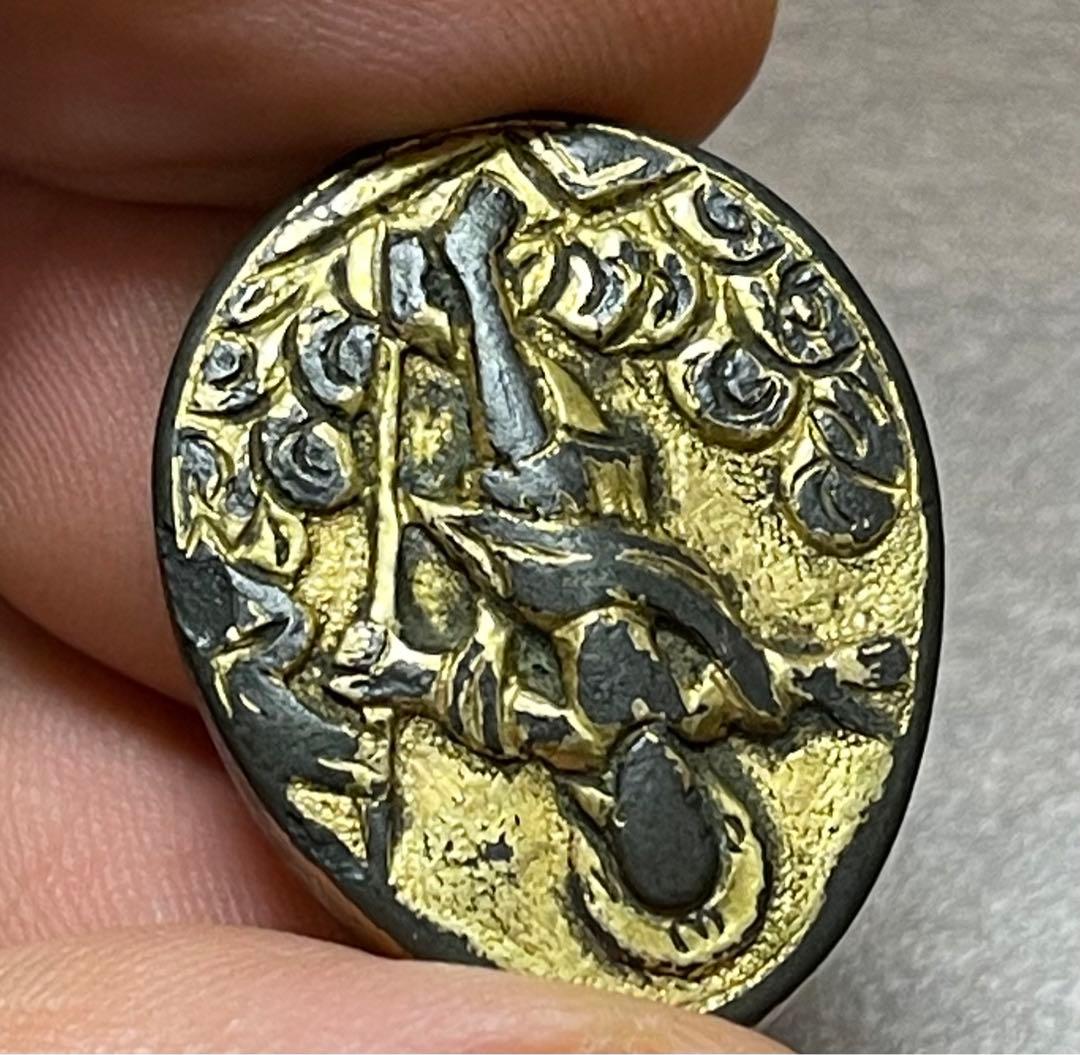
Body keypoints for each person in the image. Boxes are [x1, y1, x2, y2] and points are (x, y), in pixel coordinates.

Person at [0, 1, 790, 1049]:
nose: (657, 792)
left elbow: (459, 694)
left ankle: (470, 278)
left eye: (648, 819)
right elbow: (737, 638)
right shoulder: (705, 701)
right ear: (703, 803)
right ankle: (469, 280)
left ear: (609, 827)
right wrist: (748, 651)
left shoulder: (564, 737)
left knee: (536, 476)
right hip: (600, 540)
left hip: (538, 557)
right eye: (678, 808)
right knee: (551, 466)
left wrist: (397, 670)